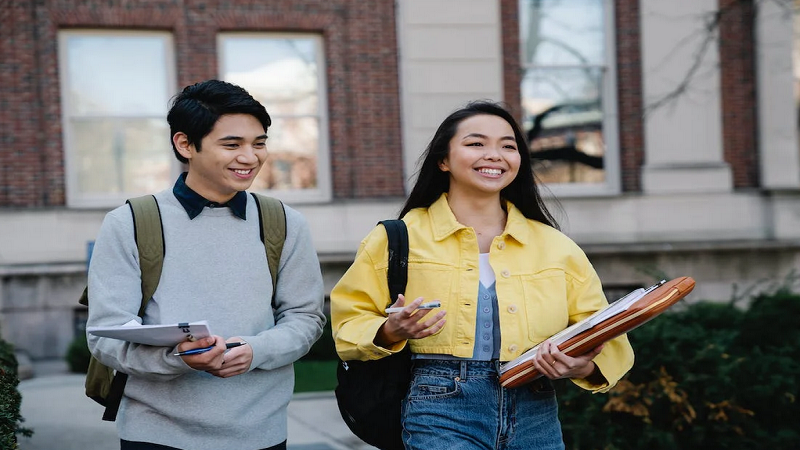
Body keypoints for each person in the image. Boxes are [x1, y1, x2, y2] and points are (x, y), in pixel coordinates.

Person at [331, 101, 634, 449]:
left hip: (535, 408)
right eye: (476, 143)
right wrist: (389, 330)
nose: (495, 155)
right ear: (443, 160)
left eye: (508, 146)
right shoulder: (395, 238)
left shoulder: (556, 246)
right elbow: (347, 325)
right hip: (438, 407)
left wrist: (580, 367)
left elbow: (607, 334)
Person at [86, 79, 326, 450]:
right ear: (185, 144)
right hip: (155, 435)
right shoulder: (129, 222)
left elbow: (306, 318)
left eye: (259, 143)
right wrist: (178, 357)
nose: (250, 157)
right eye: (232, 144)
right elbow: (106, 333)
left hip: (262, 433)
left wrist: (255, 351)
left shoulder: (284, 222)